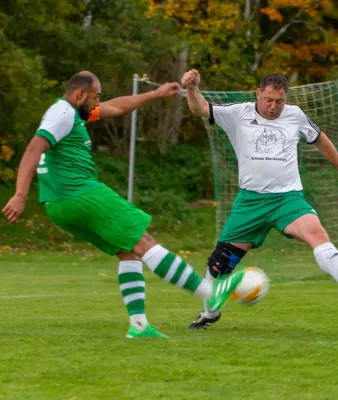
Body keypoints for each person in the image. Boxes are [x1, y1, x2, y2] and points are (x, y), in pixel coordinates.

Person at [2, 71, 245, 339]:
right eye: (95, 98)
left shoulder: (72, 113)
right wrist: (20, 194)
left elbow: (116, 107)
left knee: (127, 251)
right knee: (144, 242)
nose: (97, 104)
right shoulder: (62, 114)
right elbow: (33, 149)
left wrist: (154, 94)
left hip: (58, 204)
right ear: (80, 95)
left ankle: (139, 326)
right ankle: (210, 294)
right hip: (80, 195)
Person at [181, 69, 338, 329]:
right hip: (249, 203)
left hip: (287, 199)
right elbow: (200, 109)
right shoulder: (238, 113)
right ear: (258, 94)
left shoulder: (295, 115)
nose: (274, 107)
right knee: (219, 265)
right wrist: (192, 89)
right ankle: (210, 312)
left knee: (316, 233)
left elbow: (320, 140)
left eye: (280, 101)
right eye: (269, 100)